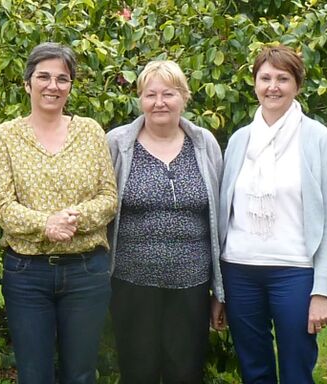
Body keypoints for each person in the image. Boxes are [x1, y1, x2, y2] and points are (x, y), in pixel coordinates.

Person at [0, 42, 118, 384]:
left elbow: (108, 197)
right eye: (43, 77)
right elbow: (2, 206)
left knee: (81, 373)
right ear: (28, 84)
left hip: (86, 271)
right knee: (34, 374)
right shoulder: (7, 136)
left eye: (62, 78)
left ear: (71, 85)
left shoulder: (89, 131)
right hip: (27, 272)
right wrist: (46, 224)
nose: (53, 86)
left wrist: (73, 219)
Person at [218, 45, 327, 383]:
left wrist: (322, 291)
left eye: (283, 79)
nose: (273, 86)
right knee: (253, 368)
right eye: (265, 78)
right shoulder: (240, 140)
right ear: (255, 83)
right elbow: (223, 213)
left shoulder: (317, 138)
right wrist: (218, 288)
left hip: (295, 271)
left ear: (297, 85)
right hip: (240, 270)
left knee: (296, 368)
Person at [106, 60, 226, 383]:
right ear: (140, 99)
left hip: (191, 283)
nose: (159, 102)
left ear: (184, 97)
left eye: (168, 94)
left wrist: (219, 289)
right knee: (137, 371)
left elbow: (219, 218)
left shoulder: (205, 145)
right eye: (150, 94)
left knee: (186, 373)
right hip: (132, 283)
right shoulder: (118, 144)